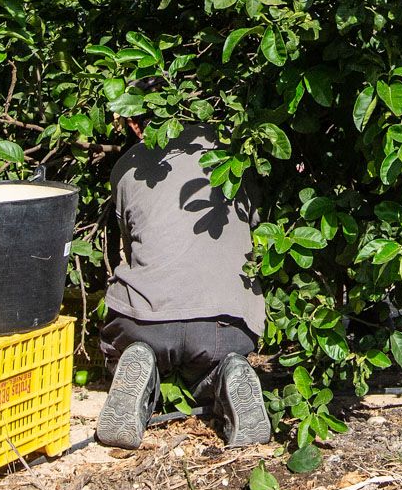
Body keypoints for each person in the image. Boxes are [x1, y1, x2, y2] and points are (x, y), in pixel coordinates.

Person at [96, 116, 271, 449]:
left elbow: (130, 245)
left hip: (147, 321)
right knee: (209, 367)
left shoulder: (128, 164)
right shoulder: (236, 157)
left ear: (136, 123)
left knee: (134, 339)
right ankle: (227, 372)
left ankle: (139, 361)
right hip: (228, 325)